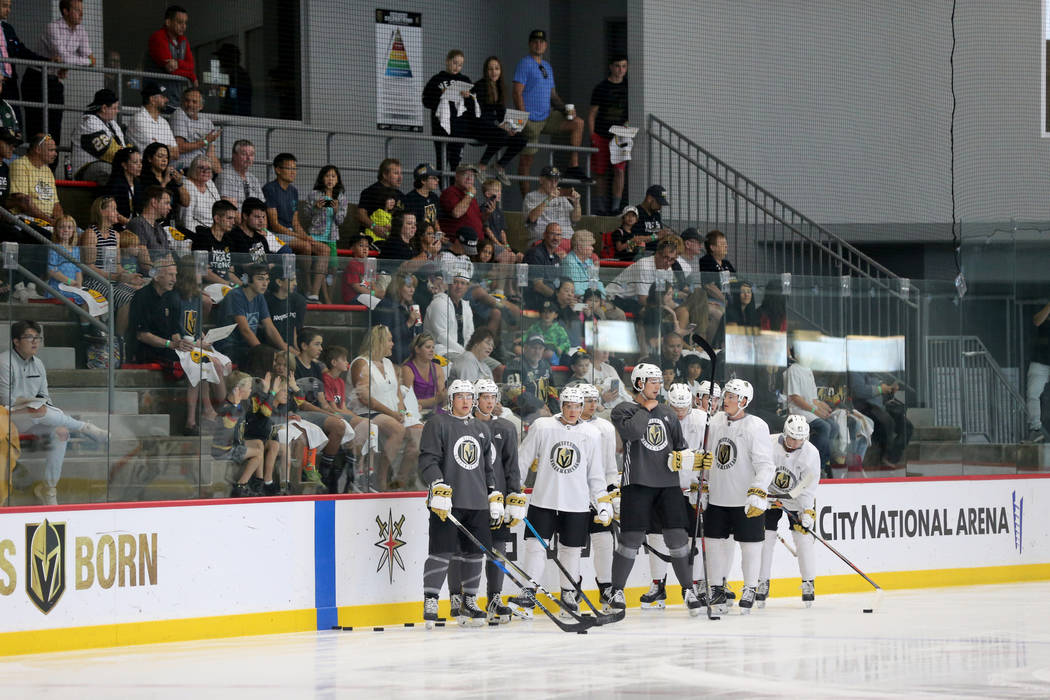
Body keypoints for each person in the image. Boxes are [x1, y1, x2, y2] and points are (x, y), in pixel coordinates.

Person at [606, 363, 706, 615]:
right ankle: (616, 590)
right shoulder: (623, 410)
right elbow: (633, 432)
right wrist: (645, 408)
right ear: (639, 383)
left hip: (668, 485)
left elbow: (680, 447)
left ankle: (687, 589)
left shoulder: (668, 414)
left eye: (659, 381)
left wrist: (693, 459)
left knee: (678, 538)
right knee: (630, 539)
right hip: (637, 483)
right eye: (652, 381)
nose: (658, 386)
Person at [507, 386, 607, 620]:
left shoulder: (592, 434)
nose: (573, 411)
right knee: (534, 548)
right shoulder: (543, 427)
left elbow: (596, 473)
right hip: (544, 500)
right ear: (561, 406)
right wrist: (515, 490)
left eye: (577, 407)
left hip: (577, 503)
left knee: (571, 552)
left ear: (583, 408)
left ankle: (569, 595)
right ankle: (528, 595)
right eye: (569, 406)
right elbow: (523, 459)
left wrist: (601, 501)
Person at [418, 379, 500, 628]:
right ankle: (431, 599)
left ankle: (470, 601)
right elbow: (427, 459)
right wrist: (437, 484)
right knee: (442, 551)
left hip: (476, 502)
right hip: (447, 502)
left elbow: (487, 468)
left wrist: (493, 494)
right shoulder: (437, 424)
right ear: (451, 399)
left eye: (469, 396)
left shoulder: (482, 429)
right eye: (460, 396)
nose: (465, 401)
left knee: (475, 554)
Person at [0, 320, 107, 505]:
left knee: (61, 432)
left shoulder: (39, 364)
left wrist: (40, 409)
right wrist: (33, 405)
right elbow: (5, 402)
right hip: (7, 418)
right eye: (29, 337)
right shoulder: (4, 362)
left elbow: (45, 397)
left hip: (34, 416)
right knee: (40, 410)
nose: (35, 342)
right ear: (16, 341)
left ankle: (49, 489)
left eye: (38, 338)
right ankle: (84, 427)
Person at [700, 378, 775, 615]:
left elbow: (766, 465)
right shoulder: (715, 422)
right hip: (717, 498)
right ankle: (717, 588)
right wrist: (702, 485)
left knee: (750, 545)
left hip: (745, 499)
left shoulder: (756, 426)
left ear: (744, 401)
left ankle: (750, 587)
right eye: (727, 396)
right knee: (713, 545)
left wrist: (758, 490)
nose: (727, 400)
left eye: (732, 397)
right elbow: (707, 457)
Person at [126, 257, 221, 435]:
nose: (174, 279)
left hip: (169, 347)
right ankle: (195, 419)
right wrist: (172, 344)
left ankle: (195, 419)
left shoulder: (171, 297)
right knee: (196, 361)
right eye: (170, 275)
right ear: (156, 276)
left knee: (202, 358)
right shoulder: (142, 297)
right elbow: (142, 335)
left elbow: (175, 330)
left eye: (175, 275)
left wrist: (183, 343)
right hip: (146, 350)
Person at [469, 378, 523, 623]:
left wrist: (514, 495)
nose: (489, 402)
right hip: (471, 497)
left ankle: (494, 598)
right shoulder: (464, 426)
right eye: (484, 397)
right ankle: (465, 599)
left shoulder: (507, 427)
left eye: (493, 397)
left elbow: (512, 466)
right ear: (475, 399)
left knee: (498, 549)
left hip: (498, 500)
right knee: (468, 551)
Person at [512, 29, 591, 193]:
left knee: (578, 123)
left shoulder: (547, 66)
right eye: (535, 41)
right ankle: (528, 200)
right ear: (530, 44)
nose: (538, 44)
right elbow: (517, 92)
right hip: (530, 120)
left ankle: (573, 165)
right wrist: (523, 117)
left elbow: (553, 95)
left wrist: (565, 110)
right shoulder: (524, 63)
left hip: (547, 116)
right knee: (527, 160)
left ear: (546, 45)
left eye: (541, 42)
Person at [757, 415, 820, 609]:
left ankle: (808, 582)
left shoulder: (811, 453)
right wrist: (763, 495)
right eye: (792, 438)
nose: (794, 443)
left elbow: (808, 485)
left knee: (803, 539)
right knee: (765, 539)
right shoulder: (769, 443)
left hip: (797, 499)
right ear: (785, 433)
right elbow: (758, 469)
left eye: (799, 439)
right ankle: (762, 582)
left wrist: (808, 511)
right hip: (770, 497)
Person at [349, 326, 418, 491]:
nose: (393, 344)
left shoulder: (388, 363)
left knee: (419, 433)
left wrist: (401, 412)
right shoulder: (361, 363)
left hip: (393, 413)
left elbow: (397, 393)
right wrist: (393, 414)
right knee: (397, 430)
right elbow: (364, 398)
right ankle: (380, 478)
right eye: (389, 340)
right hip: (367, 412)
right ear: (378, 341)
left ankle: (400, 481)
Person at [23, 0, 93, 148]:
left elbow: (91, 59)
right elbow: (63, 56)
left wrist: (67, 64)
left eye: (82, 9)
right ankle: (33, 166)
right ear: (65, 11)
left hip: (54, 80)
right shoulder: (53, 28)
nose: (82, 13)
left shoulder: (81, 30)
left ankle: (51, 168)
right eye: (77, 9)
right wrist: (77, 61)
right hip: (36, 78)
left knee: (55, 125)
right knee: (36, 124)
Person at [577, 383, 620, 609]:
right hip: (572, 495)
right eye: (588, 400)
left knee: (604, 542)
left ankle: (606, 589)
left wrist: (613, 492)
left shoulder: (606, 427)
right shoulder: (565, 425)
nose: (593, 405)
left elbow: (610, 466)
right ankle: (571, 590)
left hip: (598, 495)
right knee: (571, 546)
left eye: (595, 400)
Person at [294, 328, 352, 491]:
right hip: (301, 411)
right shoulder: (295, 365)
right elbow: (301, 403)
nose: (321, 348)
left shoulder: (317, 367)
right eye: (317, 344)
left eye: (321, 344)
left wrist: (332, 411)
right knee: (338, 425)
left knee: (353, 422)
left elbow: (321, 400)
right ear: (304, 346)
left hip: (316, 410)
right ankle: (325, 472)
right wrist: (327, 414)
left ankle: (346, 472)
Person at [82, 195, 145, 335]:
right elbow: (89, 267)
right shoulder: (91, 234)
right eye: (114, 209)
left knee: (140, 293)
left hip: (112, 279)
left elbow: (116, 265)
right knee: (127, 298)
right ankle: (118, 340)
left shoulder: (116, 235)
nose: (117, 213)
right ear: (102, 211)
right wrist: (116, 277)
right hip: (94, 281)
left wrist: (129, 277)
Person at [213, 263, 289, 367]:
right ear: (248, 280)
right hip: (229, 347)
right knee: (267, 360)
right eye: (260, 279)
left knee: (283, 359)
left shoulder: (259, 296)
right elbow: (245, 330)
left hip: (247, 346)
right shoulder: (235, 295)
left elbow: (270, 327)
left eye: (267, 279)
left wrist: (286, 351)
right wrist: (263, 353)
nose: (265, 283)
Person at [472, 55, 526, 185]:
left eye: (496, 68)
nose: (494, 72)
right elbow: (477, 114)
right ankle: (481, 166)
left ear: (500, 71)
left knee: (521, 139)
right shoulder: (479, 86)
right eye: (490, 69)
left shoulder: (501, 87)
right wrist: (500, 127)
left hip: (493, 127)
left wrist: (511, 127)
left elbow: (501, 114)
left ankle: (500, 166)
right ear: (486, 71)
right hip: (478, 125)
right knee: (502, 134)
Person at [784, 346, 838, 472]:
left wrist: (825, 409)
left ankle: (824, 459)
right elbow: (795, 398)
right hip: (798, 411)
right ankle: (818, 466)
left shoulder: (808, 370)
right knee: (824, 427)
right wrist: (815, 411)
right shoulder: (793, 370)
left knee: (834, 425)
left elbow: (814, 400)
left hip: (809, 410)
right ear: (796, 355)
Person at [587, 54, 629, 215]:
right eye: (617, 66)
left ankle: (616, 208)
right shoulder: (601, 87)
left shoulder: (628, 88)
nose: (620, 70)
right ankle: (601, 208)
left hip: (620, 137)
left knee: (619, 171)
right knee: (601, 172)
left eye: (624, 66)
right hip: (602, 135)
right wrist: (592, 136)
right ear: (611, 67)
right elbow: (591, 114)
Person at [421, 49, 475, 173]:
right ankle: (444, 190)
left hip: (459, 130)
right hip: (441, 129)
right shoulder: (436, 79)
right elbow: (426, 101)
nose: (457, 67)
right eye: (454, 63)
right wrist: (440, 95)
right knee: (441, 163)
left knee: (456, 164)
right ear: (447, 61)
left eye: (460, 65)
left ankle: (453, 189)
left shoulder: (465, 80)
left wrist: (467, 98)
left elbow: (473, 106)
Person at [301, 164, 348, 302]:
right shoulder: (314, 194)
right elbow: (305, 215)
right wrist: (316, 208)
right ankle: (324, 298)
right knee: (319, 266)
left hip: (332, 238)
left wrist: (336, 210)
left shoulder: (341, 198)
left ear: (338, 179)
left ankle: (329, 297)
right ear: (322, 178)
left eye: (333, 176)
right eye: (327, 176)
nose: (330, 179)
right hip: (315, 236)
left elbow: (340, 221)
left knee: (333, 270)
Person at [605, 238, 685, 317]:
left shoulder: (667, 269)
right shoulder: (644, 265)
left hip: (634, 299)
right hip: (615, 298)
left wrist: (678, 308)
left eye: (672, 259)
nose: (668, 263)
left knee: (681, 311)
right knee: (651, 312)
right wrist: (667, 307)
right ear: (657, 254)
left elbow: (662, 295)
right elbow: (643, 300)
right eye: (666, 257)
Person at [849, 371, 912, 466]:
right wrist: (880, 389)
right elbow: (859, 391)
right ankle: (885, 457)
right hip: (866, 407)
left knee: (907, 426)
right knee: (887, 422)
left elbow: (883, 395)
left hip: (882, 407)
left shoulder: (878, 372)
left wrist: (890, 390)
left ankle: (892, 459)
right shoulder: (856, 372)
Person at [0, 0, 49, 121]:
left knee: (15, 120)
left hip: (10, 84)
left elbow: (21, 51)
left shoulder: (8, 28)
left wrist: (47, 61)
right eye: (5, 6)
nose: (8, 10)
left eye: (10, 7)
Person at [263, 153, 314, 257]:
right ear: (278, 170)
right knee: (306, 246)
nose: (293, 172)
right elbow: (275, 225)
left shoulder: (294, 191)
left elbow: (295, 222)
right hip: (274, 236)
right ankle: (303, 274)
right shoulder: (270, 189)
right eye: (289, 168)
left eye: (295, 169)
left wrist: (305, 236)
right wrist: (299, 237)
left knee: (324, 249)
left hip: (292, 235)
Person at [146, 4, 196, 107]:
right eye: (180, 22)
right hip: (157, 101)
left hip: (175, 100)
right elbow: (171, 70)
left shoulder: (183, 40)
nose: (184, 26)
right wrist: (191, 75)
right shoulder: (158, 37)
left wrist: (178, 63)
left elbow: (191, 65)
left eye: (185, 23)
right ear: (168, 22)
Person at [71, 89, 126, 182]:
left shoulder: (113, 124)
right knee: (107, 171)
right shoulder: (88, 122)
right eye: (114, 108)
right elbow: (108, 152)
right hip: (85, 168)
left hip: (110, 164)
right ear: (104, 108)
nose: (117, 111)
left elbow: (123, 148)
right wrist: (127, 160)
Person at [423, 261, 474, 361]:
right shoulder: (439, 303)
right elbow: (441, 337)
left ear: (467, 287)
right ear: (449, 285)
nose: (459, 286)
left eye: (463, 283)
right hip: (442, 351)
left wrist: (470, 352)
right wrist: (465, 353)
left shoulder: (466, 306)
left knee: (496, 367)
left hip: (464, 352)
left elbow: (470, 334)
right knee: (469, 364)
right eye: (455, 282)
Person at [9, 133, 63, 224]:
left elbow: (56, 205)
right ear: (38, 149)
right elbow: (23, 203)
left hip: (48, 221)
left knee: (80, 233)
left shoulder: (47, 170)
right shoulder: (20, 165)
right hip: (27, 219)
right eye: (51, 150)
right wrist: (51, 222)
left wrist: (60, 222)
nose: (55, 154)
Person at [522, 166, 581, 246]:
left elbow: (576, 219)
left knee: (592, 255)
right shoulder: (531, 196)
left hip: (568, 239)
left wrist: (576, 203)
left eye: (556, 181)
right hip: (544, 241)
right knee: (562, 254)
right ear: (541, 180)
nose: (553, 185)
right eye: (550, 180)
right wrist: (548, 199)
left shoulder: (562, 197)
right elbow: (532, 218)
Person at [374, 271, 421, 363]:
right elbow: (382, 337)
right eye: (409, 287)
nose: (412, 290)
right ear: (398, 288)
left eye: (413, 287)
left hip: (412, 355)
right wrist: (408, 324)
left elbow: (418, 333)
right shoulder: (385, 306)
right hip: (393, 357)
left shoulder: (411, 305)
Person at [172, 86, 221, 172]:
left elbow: (211, 155)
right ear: (182, 103)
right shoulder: (179, 114)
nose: (190, 104)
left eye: (194, 102)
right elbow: (179, 148)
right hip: (184, 168)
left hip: (203, 169)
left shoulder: (208, 123)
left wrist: (221, 175)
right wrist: (205, 142)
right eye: (187, 101)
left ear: (201, 106)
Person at [401, 332, 447, 421]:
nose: (432, 350)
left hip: (435, 411)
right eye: (428, 347)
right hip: (416, 413)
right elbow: (409, 402)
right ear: (417, 350)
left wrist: (443, 397)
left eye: (433, 347)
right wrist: (436, 399)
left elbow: (442, 398)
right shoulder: (407, 369)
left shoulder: (437, 368)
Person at [126, 81, 179, 156]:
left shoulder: (163, 122)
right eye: (163, 97)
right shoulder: (139, 119)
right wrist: (168, 148)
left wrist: (162, 148)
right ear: (152, 100)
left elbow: (176, 153)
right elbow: (154, 153)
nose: (167, 100)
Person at [521, 222, 563, 312]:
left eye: (558, 235)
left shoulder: (556, 258)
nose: (556, 238)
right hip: (536, 300)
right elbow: (538, 286)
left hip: (552, 299)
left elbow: (559, 282)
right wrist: (557, 297)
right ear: (544, 235)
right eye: (552, 234)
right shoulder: (535, 254)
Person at [355, 158, 404, 234]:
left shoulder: (401, 195)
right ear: (384, 175)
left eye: (401, 173)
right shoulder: (370, 192)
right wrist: (374, 227)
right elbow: (360, 215)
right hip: (372, 237)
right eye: (396, 173)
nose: (400, 177)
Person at [137, 142, 187, 215]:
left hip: (171, 222)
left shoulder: (170, 177)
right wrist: (164, 182)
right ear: (150, 158)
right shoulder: (143, 179)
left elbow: (186, 202)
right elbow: (152, 203)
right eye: (160, 156)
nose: (164, 160)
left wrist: (179, 183)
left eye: (166, 157)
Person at [263, 265, 305, 350]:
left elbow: (295, 329)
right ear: (279, 282)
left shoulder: (298, 300)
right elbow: (268, 333)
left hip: (290, 349)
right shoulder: (265, 301)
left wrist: (299, 353)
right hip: (271, 349)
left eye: (295, 280)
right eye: (292, 280)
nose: (295, 283)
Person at [216, 139, 264, 211]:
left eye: (251, 154)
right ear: (234, 155)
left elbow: (262, 205)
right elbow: (228, 209)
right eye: (244, 154)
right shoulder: (226, 176)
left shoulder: (253, 178)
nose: (248, 158)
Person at [1026, 302, 1050, 443]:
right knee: (1032, 393)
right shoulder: (1043, 304)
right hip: (1040, 360)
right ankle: (1035, 429)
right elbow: (1037, 321)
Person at [438, 162, 483, 237]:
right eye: (466, 175)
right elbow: (457, 213)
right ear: (457, 177)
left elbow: (478, 219)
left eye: (472, 175)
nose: (469, 178)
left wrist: (487, 213)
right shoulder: (450, 192)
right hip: (459, 242)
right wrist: (470, 194)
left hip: (477, 241)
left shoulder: (470, 195)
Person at [179, 155, 220, 232]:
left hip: (214, 230)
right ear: (194, 169)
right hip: (197, 233)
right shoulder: (188, 185)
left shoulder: (210, 183)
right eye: (201, 168)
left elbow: (219, 207)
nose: (205, 171)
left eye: (208, 169)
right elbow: (187, 219)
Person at [102, 146, 142, 225]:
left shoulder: (138, 184)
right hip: (117, 227)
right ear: (124, 165)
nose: (140, 165)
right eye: (135, 162)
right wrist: (130, 224)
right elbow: (111, 210)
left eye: (140, 162)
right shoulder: (115, 184)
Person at [632, 185, 673, 251]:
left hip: (658, 254)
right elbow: (633, 240)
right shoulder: (634, 213)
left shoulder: (657, 215)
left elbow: (660, 236)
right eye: (659, 203)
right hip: (640, 254)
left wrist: (666, 235)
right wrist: (656, 236)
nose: (660, 207)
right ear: (649, 198)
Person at [404, 163, 441, 234]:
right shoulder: (410, 199)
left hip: (432, 237)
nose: (438, 180)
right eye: (434, 178)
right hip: (417, 238)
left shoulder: (434, 197)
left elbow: (435, 220)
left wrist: (439, 235)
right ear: (423, 180)